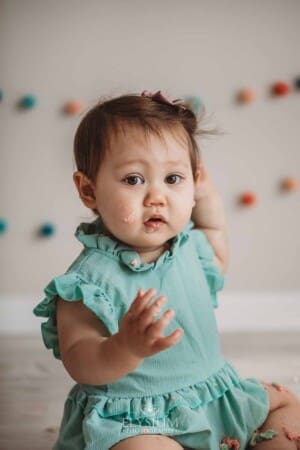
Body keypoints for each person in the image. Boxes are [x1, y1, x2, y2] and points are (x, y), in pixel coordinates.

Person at [33, 91, 300, 450]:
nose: (156, 196)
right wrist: (123, 347)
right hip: (138, 420)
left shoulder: (190, 248)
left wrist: (204, 195)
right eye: (133, 179)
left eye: (173, 179)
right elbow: (79, 359)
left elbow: (214, 233)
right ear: (89, 190)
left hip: (215, 400)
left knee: (287, 407)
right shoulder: (88, 281)